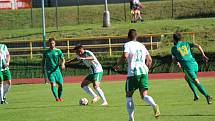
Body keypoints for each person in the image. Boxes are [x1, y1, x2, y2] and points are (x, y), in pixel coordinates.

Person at [113, 29, 160, 121]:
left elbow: (125, 56)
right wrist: (146, 69)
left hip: (133, 73)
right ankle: (153, 104)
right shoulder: (141, 45)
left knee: (129, 96)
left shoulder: (127, 44)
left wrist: (118, 64)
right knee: (144, 96)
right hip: (143, 72)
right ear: (136, 36)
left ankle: (131, 118)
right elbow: (149, 60)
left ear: (128, 37)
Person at [171, 32, 212, 104]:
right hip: (195, 64)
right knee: (186, 78)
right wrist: (203, 55)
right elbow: (198, 46)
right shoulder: (186, 43)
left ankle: (207, 96)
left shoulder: (174, 48)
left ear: (174, 39)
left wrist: (177, 63)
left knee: (196, 82)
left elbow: (174, 60)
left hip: (187, 67)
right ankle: (196, 95)